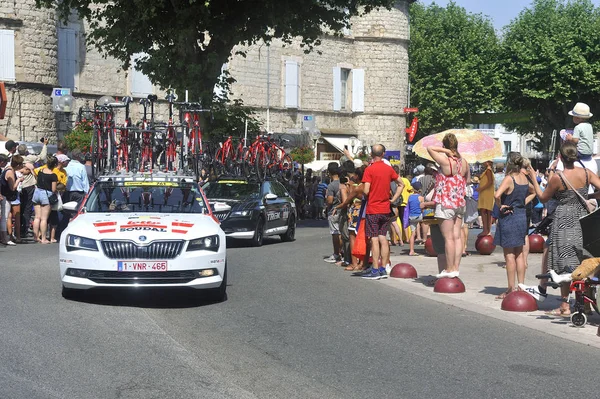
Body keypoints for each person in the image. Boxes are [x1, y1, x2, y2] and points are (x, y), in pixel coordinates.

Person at [520, 142, 600, 315]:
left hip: (564, 219)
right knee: (584, 259)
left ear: (561, 157)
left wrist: (533, 177)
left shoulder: (558, 177)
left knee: (565, 261)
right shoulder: (587, 173)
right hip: (583, 218)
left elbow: (543, 197)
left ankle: (565, 305)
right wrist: (588, 196)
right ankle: (584, 303)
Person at [427, 133, 469, 279]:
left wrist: (446, 151)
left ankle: (449, 268)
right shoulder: (464, 162)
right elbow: (467, 180)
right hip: (459, 201)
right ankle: (456, 268)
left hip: (446, 202)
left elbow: (429, 148)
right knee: (457, 237)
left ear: (444, 145)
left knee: (448, 238)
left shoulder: (445, 161)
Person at [493, 152, 535, 299]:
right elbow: (534, 191)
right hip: (521, 215)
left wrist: (501, 206)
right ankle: (521, 286)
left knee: (509, 255)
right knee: (519, 254)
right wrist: (523, 202)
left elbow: (497, 195)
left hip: (509, 216)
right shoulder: (524, 178)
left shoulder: (509, 178)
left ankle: (510, 288)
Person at [360, 144, 404, 280]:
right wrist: (393, 198)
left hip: (373, 208)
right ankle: (383, 268)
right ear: (383, 154)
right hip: (385, 208)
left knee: (374, 238)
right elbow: (401, 184)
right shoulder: (388, 169)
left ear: (372, 155)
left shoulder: (369, 169)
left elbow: (366, 190)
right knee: (383, 238)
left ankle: (374, 270)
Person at [562, 102, 598, 175]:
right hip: (589, 153)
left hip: (580, 152)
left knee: (565, 154)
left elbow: (575, 140)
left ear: (577, 118)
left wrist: (569, 138)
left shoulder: (578, 127)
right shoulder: (589, 126)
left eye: (573, 116)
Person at [33, 155, 59, 244]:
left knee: (37, 217)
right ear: (55, 165)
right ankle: (43, 238)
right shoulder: (53, 175)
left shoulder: (40, 171)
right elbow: (53, 189)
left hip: (37, 193)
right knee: (44, 219)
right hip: (46, 195)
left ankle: (36, 236)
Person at [1, 154, 24, 245]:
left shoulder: (9, 169)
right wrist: (18, 180)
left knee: (6, 217)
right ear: (18, 165)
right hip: (6, 196)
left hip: (6, 196)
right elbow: (12, 187)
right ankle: (5, 238)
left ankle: (6, 237)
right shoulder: (10, 171)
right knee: (5, 218)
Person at [324, 163, 343, 264]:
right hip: (343, 210)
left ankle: (336, 253)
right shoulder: (343, 183)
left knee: (335, 233)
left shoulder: (331, 185)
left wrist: (326, 202)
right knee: (342, 232)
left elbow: (330, 201)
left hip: (334, 211)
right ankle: (342, 252)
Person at [477, 160, 494, 237]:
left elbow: (490, 182)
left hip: (486, 192)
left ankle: (486, 230)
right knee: (486, 211)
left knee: (484, 210)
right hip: (486, 193)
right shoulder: (488, 170)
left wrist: (481, 188)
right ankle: (487, 230)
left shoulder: (488, 170)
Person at [407, 181, 424, 256]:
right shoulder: (421, 198)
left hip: (411, 217)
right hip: (418, 216)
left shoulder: (410, 197)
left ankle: (411, 250)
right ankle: (423, 238)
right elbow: (422, 209)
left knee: (412, 234)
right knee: (425, 222)